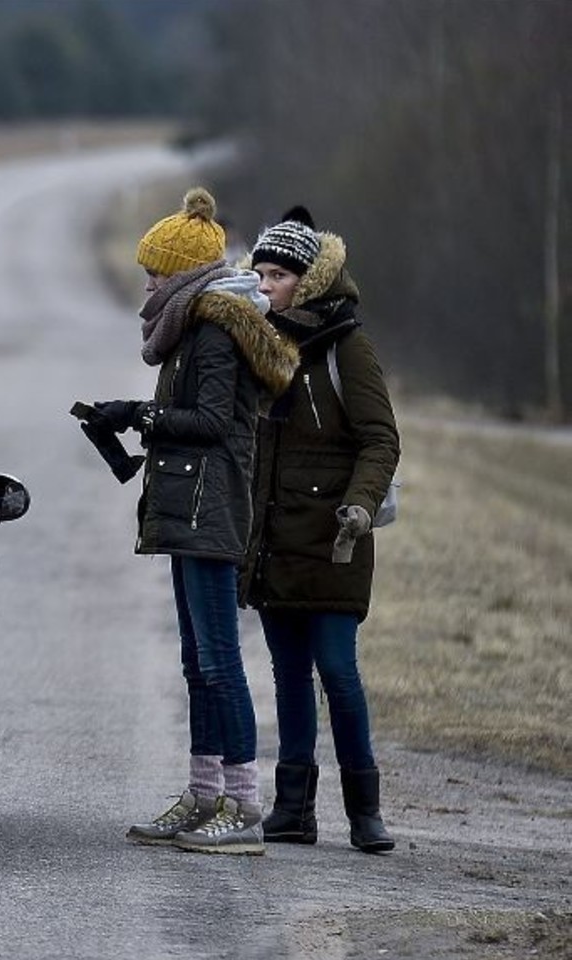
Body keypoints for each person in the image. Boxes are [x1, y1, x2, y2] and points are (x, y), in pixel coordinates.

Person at [85, 188, 299, 855]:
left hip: (212, 508)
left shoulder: (212, 329)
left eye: (157, 269)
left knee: (219, 661)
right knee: (196, 662)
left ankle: (243, 806)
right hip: (189, 506)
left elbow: (212, 422)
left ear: (184, 273)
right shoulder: (192, 325)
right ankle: (204, 794)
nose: (147, 278)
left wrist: (140, 417)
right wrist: (130, 409)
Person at [241, 207, 400, 854]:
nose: (265, 285)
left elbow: (380, 439)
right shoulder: (258, 341)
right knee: (287, 676)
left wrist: (359, 508)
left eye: (277, 275)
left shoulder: (347, 346)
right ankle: (292, 810)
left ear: (306, 282)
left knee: (338, 671)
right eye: (259, 274)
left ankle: (366, 812)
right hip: (274, 541)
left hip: (335, 541)